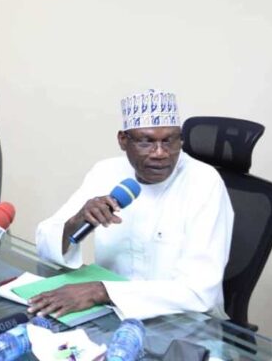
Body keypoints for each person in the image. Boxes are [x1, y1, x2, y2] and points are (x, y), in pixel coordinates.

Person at [32, 89, 234, 320]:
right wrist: (76, 220)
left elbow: (199, 291)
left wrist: (101, 291)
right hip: (109, 314)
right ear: (123, 140)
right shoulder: (105, 171)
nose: (160, 153)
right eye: (146, 141)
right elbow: (46, 246)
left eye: (169, 141)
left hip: (184, 323)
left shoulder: (203, 182)